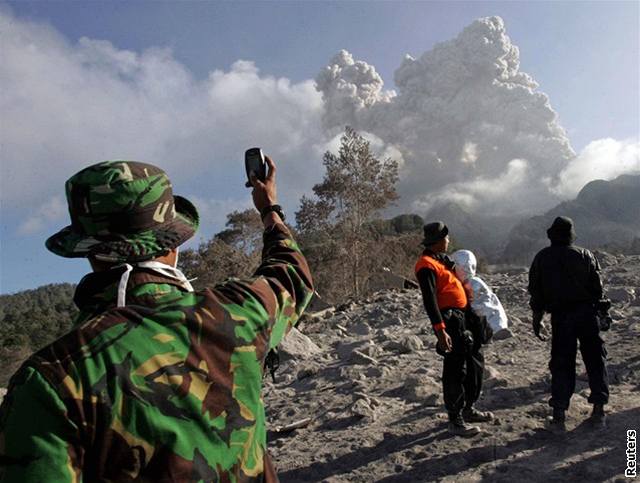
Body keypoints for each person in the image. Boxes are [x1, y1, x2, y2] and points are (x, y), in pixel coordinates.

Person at [0, 158, 314, 481]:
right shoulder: (241, 311)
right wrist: (269, 208)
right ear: (173, 244)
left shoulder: (51, 381)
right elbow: (291, 274)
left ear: (92, 254)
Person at [528, 216, 609, 431]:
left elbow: (536, 292)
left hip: (561, 317)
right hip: (587, 314)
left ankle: (559, 413)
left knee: (562, 362)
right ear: (571, 235)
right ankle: (599, 409)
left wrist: (537, 318)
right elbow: (598, 290)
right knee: (595, 359)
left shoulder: (542, 258)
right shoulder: (586, 255)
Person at [415, 222, 493, 437]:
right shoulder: (426, 265)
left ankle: (469, 408)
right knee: (455, 368)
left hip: (463, 317)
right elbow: (430, 300)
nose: (449, 241)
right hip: (449, 321)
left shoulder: (443, 261)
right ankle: (455, 418)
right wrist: (440, 331)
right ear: (439, 240)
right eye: (446, 238)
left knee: (475, 362)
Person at [451, 249, 509, 335]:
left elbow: (482, 308)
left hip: (494, 328)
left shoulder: (473, 284)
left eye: (454, 266)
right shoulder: (464, 284)